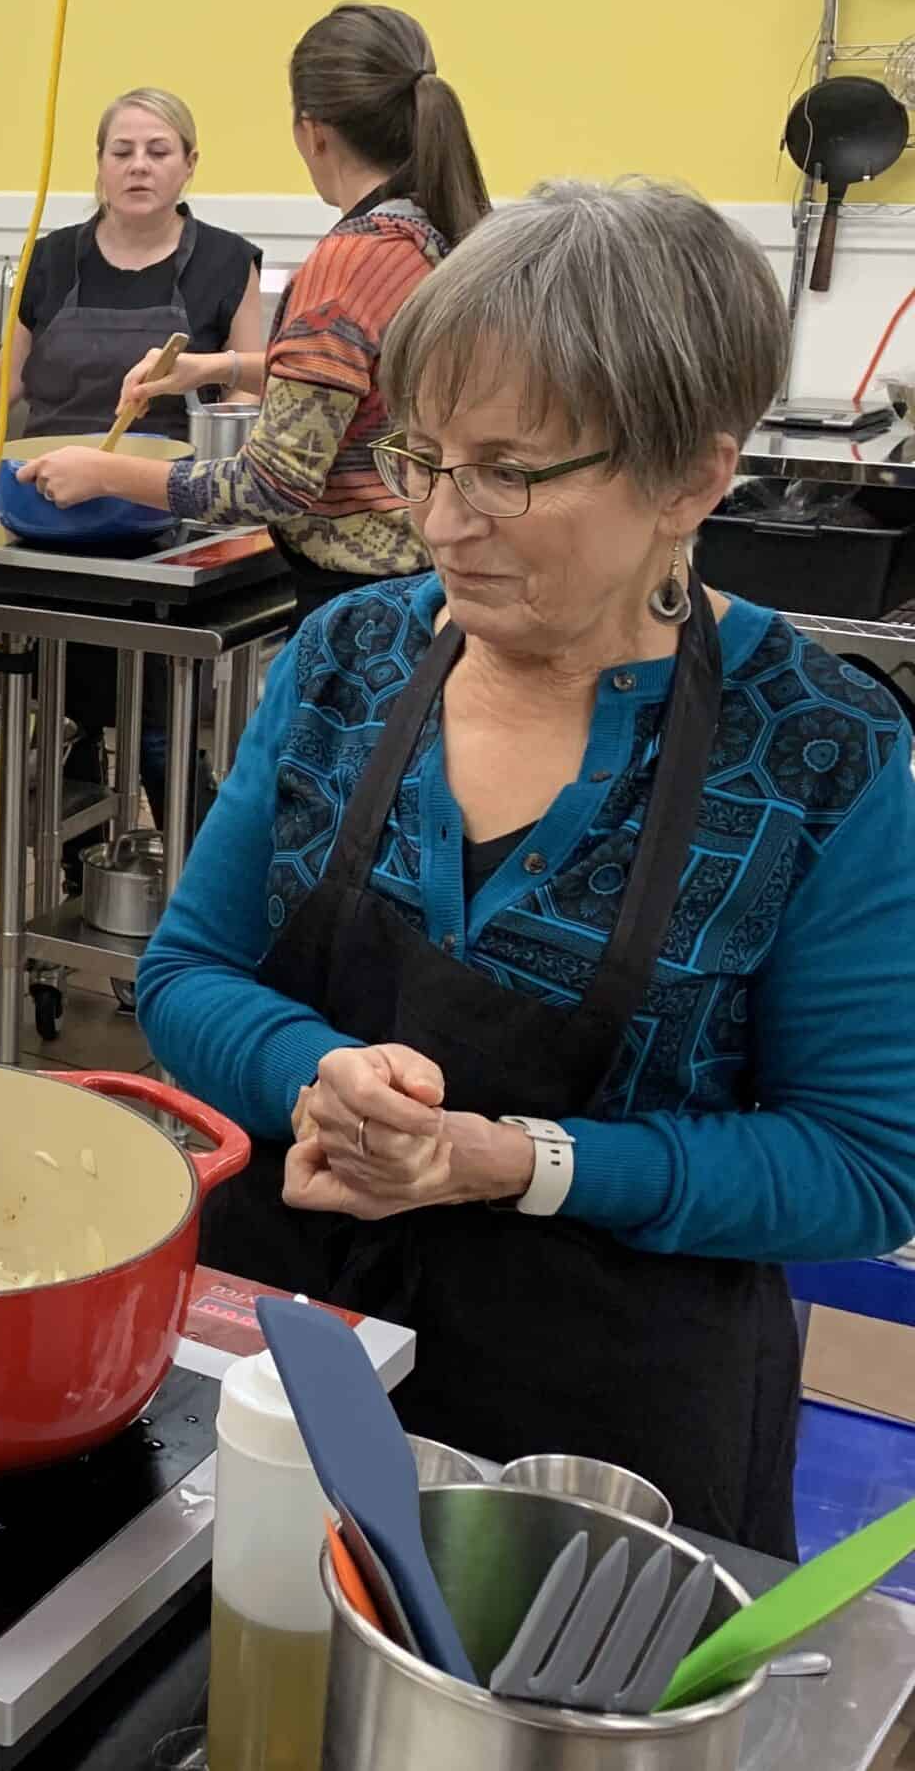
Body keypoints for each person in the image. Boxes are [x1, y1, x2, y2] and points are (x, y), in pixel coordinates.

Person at [136, 178, 915, 1555]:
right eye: (428, 457)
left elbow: (860, 1164)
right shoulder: (350, 660)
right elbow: (189, 973)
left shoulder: (822, 753)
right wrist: (311, 1070)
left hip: (603, 1454)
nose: (443, 520)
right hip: (290, 1367)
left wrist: (516, 1161)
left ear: (695, 477)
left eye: (513, 471)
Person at [20, 3, 490, 618]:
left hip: (361, 604)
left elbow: (272, 483)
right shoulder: (430, 231)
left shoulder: (348, 265)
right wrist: (216, 369)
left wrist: (105, 474)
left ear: (312, 131)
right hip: (423, 576)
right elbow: (360, 379)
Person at [0, 86, 264, 474]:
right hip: (43, 482)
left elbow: (247, 386)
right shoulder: (50, 257)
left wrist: (218, 475)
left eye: (158, 152)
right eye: (121, 153)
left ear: (189, 164)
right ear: (100, 163)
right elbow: (6, 375)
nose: (139, 166)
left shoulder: (227, 261)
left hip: (164, 490)